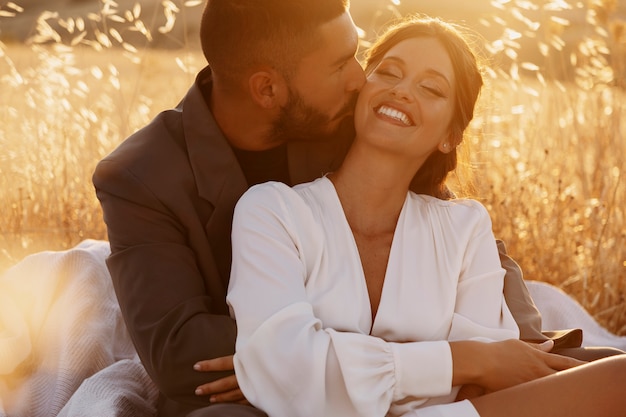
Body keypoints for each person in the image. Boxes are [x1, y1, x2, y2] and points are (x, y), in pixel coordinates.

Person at [92, 0, 618, 415]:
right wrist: (286, 356)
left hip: (417, 381)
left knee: (603, 373)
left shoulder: (355, 111)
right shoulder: (141, 176)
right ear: (268, 88)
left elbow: (451, 228)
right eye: (344, 63)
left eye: (360, 55)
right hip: (254, 398)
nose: (360, 77)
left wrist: (518, 352)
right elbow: (182, 354)